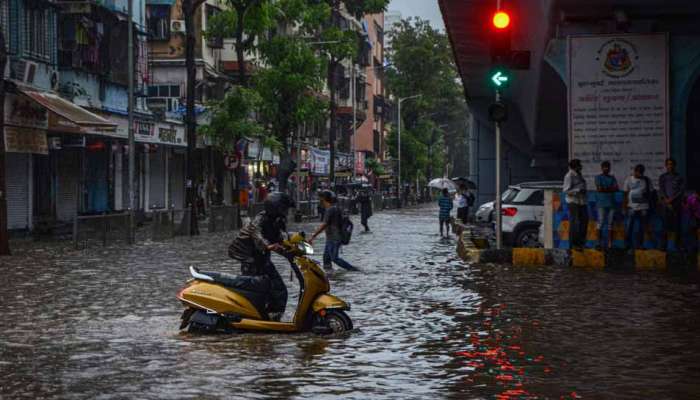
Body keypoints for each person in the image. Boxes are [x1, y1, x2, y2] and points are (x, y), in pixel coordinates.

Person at [228, 192, 295, 321]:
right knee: (255, 291)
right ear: (277, 208)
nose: (286, 212)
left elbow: (280, 239)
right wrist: (267, 246)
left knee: (279, 289)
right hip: (250, 259)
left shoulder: (277, 220)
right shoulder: (260, 220)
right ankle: (248, 317)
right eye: (284, 208)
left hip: (263, 258)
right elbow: (257, 235)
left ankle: (273, 317)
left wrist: (293, 249)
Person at [309, 191, 358, 271]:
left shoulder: (330, 210)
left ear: (323, 199)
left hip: (334, 238)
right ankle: (329, 275)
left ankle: (353, 270)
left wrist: (313, 236)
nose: (318, 201)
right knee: (326, 259)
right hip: (331, 238)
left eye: (319, 199)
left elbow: (324, 225)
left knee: (334, 258)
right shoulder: (335, 208)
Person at [623, 164, 653, 250]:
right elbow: (625, 194)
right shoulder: (628, 180)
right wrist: (624, 207)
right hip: (631, 207)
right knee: (629, 227)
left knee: (641, 228)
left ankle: (640, 245)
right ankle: (627, 245)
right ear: (635, 171)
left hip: (644, 207)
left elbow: (651, 192)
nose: (640, 175)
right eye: (638, 173)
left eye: (641, 173)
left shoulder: (647, 180)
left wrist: (647, 199)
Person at [658, 158, 685, 250]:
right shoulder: (662, 177)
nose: (670, 166)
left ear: (675, 165)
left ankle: (678, 246)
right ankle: (663, 246)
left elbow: (680, 191)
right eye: (668, 164)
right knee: (664, 226)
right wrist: (666, 200)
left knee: (677, 226)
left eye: (672, 164)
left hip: (676, 205)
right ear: (666, 166)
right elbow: (661, 190)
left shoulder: (679, 177)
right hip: (665, 206)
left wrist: (672, 200)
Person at [563, 159, 588, 250]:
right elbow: (566, 191)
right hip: (573, 202)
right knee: (575, 223)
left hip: (581, 201)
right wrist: (577, 191)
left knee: (584, 222)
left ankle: (581, 243)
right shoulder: (569, 176)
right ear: (575, 166)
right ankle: (574, 245)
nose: (581, 167)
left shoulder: (578, 174)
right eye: (579, 165)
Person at [594, 161, 619, 249]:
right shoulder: (598, 177)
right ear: (602, 168)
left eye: (608, 167)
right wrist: (610, 189)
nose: (606, 169)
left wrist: (605, 189)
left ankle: (610, 244)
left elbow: (616, 188)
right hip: (601, 204)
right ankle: (598, 243)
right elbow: (599, 189)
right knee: (600, 223)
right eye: (605, 167)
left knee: (610, 224)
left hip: (611, 203)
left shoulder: (612, 178)